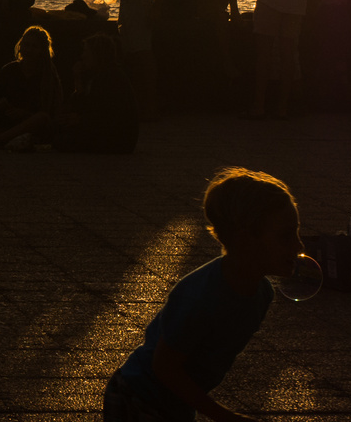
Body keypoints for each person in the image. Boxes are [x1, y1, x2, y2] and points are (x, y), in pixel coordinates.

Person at [104, 168, 302, 422]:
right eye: (286, 236)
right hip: (139, 396)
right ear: (245, 241)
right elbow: (164, 366)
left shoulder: (262, 293)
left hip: (173, 402)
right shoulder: (201, 296)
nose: (299, 246)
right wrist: (222, 415)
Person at [51, 34, 137, 154]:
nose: (83, 56)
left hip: (117, 139)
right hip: (118, 137)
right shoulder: (103, 75)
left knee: (61, 140)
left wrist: (80, 119)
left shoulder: (109, 79)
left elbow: (108, 115)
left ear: (97, 54)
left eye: (86, 51)